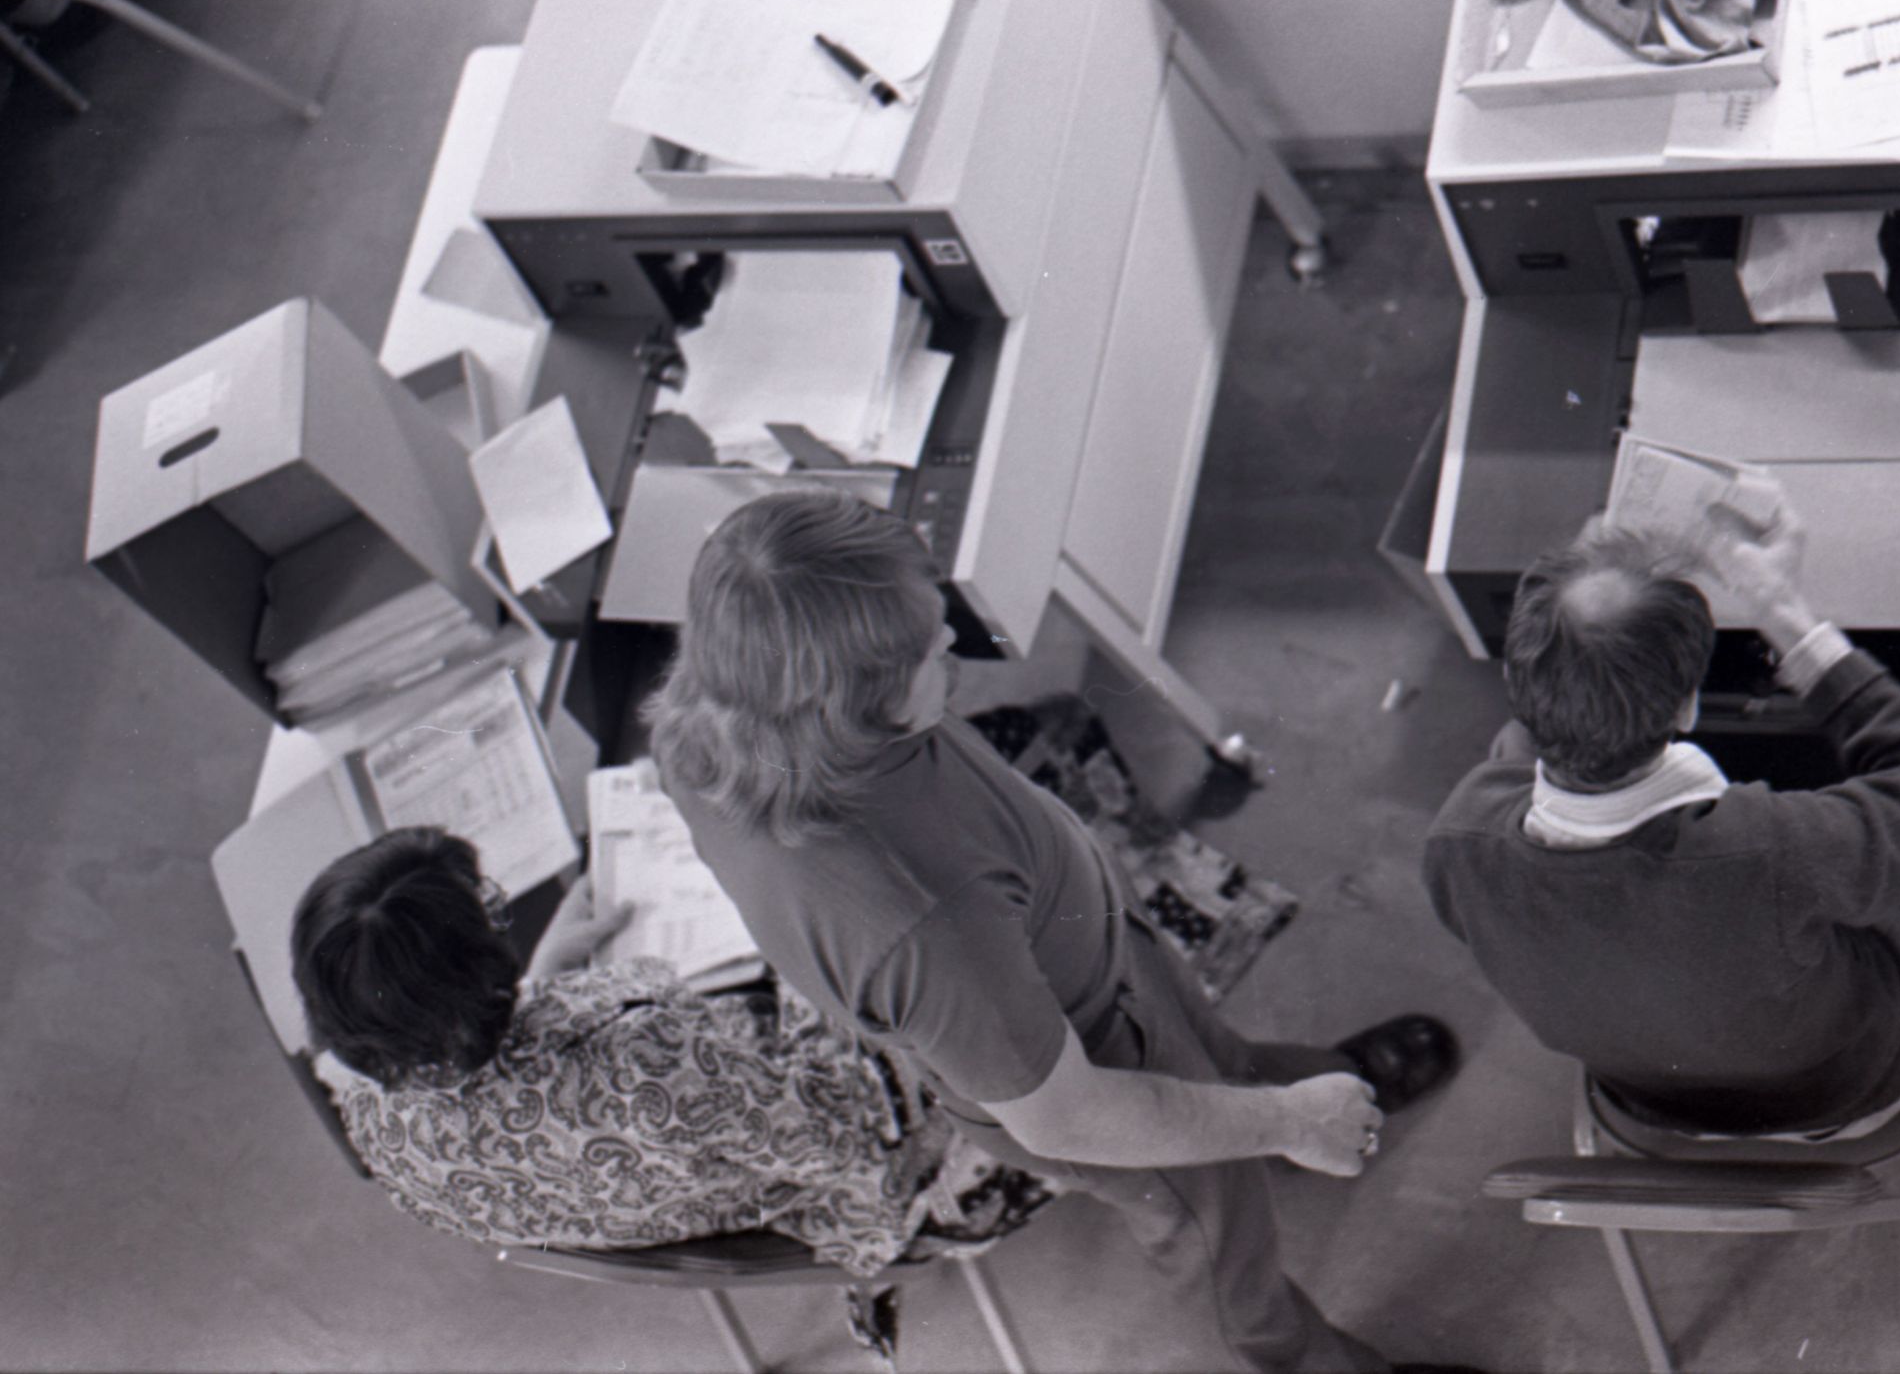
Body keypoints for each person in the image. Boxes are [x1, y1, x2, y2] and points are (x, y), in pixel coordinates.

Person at [646, 490, 1466, 1374]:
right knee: (1217, 1246)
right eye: (930, 649)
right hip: (1100, 1067)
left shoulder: (717, 716)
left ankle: (1303, 1104)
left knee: (1223, 1060)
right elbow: (1070, 1116)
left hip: (1082, 951)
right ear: (847, 705)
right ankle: (1309, 1338)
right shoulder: (920, 919)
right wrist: (1286, 1120)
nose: (953, 639)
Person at [1421, 512, 1900, 1162]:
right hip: (1852, 1080)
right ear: (1688, 707)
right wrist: (1787, 616)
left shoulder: (1456, 837)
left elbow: (1525, 751)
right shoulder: (1762, 849)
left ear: (1515, 675)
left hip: (1653, 1093)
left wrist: (1580, 606)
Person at [293, 828, 1046, 1271]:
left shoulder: (372, 1122)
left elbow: (508, 1102)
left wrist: (538, 981)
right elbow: (847, 1126)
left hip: (686, 1192)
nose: (500, 913)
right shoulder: (637, 1054)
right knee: (990, 930)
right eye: (489, 912)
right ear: (478, 975)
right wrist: (794, 947)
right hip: (867, 1177)